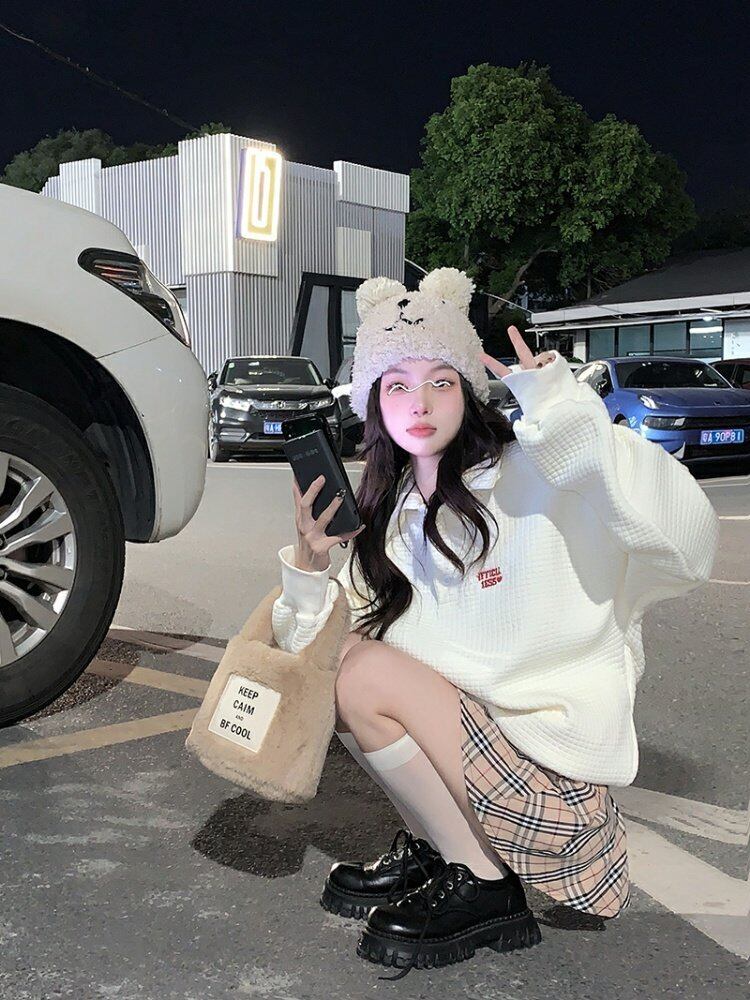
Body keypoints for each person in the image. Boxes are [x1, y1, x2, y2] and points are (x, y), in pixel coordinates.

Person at [271, 267, 720, 979]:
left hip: (554, 790)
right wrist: (308, 561)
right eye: (397, 385)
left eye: (441, 381)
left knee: (360, 671)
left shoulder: (533, 470)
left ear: (469, 391)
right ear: (372, 402)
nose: (420, 402)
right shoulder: (391, 512)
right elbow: (305, 656)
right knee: (341, 661)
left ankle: (483, 881)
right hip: (486, 762)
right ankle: (442, 846)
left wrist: (569, 421)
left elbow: (688, 544)